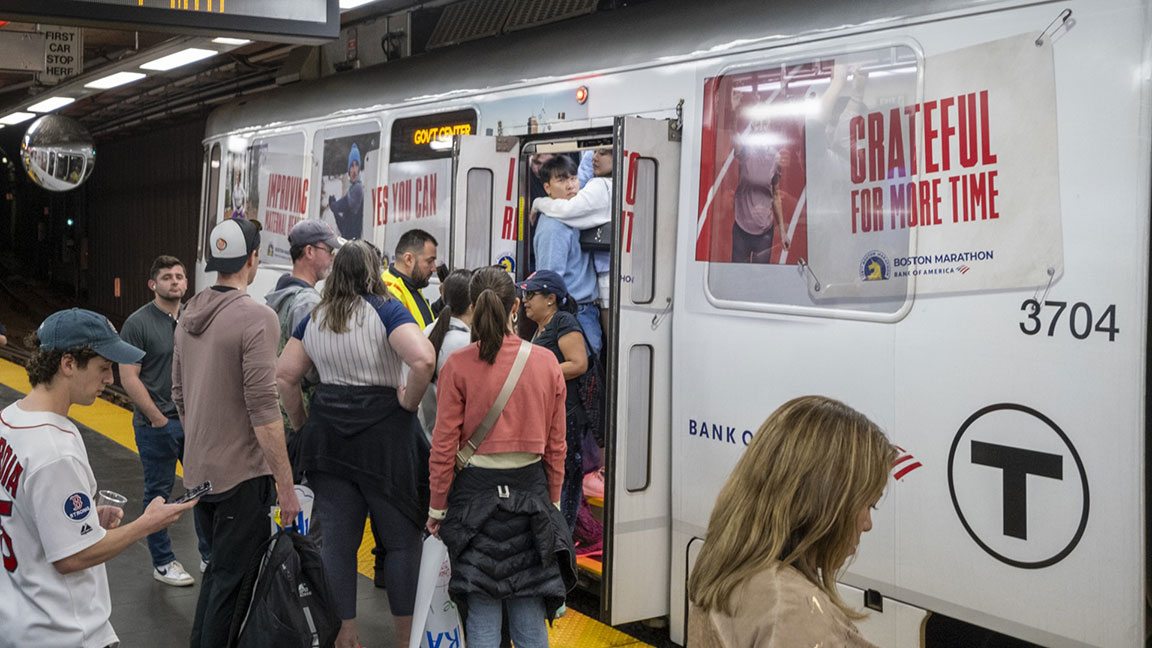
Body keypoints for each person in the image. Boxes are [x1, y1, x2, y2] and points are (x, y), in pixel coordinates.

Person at [0, 308, 196, 648]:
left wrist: (86, 521)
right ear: (68, 363)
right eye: (104, 367)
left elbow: (26, 514)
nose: (110, 379)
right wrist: (147, 523)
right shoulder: (54, 451)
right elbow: (71, 558)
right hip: (65, 633)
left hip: (20, 620)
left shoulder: (10, 421)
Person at [276, 239, 435, 648]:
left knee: (339, 545)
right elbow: (423, 360)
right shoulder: (386, 310)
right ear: (372, 271)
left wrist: (302, 424)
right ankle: (406, 640)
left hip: (330, 439)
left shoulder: (315, 316)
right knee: (401, 544)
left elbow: (284, 376)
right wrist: (408, 401)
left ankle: (345, 633)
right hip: (386, 440)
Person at [426, 266, 576, 648]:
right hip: (531, 496)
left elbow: (444, 447)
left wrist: (437, 509)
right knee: (528, 609)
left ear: (473, 307)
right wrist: (553, 500)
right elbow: (557, 446)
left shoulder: (458, 366)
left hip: (474, 500)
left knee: (482, 610)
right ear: (515, 308)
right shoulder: (545, 363)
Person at [174, 217, 301, 648]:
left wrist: (204, 443)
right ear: (253, 259)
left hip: (198, 475)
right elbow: (264, 408)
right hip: (241, 481)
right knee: (232, 589)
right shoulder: (256, 317)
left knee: (218, 578)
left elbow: (178, 394)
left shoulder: (188, 311)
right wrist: (286, 486)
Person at [687, 396, 896, 648]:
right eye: (867, 505)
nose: (867, 524)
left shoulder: (731, 569)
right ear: (827, 503)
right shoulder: (792, 607)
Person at [119, 255, 209, 585]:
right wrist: (157, 418)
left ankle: (208, 554)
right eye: (167, 277)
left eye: (180, 276)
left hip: (193, 421)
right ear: (153, 284)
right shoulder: (137, 323)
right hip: (156, 424)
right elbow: (128, 377)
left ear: (187, 283)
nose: (175, 281)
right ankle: (163, 562)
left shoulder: (193, 318)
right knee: (160, 494)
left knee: (204, 489)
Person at [518, 269, 589, 531]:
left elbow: (579, 364)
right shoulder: (541, 328)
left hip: (567, 415)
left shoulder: (562, 322)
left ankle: (563, 539)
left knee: (567, 480)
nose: (525, 299)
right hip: (550, 415)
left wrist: (536, 370)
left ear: (551, 299)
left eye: (531, 294)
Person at [265, 220, 342, 443]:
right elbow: (311, 370)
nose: (332, 257)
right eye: (329, 250)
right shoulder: (307, 303)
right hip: (300, 416)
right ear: (309, 251)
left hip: (278, 413)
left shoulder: (277, 294)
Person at [532, 147, 613, 335]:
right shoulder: (554, 224)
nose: (570, 186)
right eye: (561, 180)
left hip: (585, 309)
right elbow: (550, 279)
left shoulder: (577, 214)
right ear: (547, 187)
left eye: (573, 179)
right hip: (573, 313)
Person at [730, 90, 792, 263]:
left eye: (764, 122)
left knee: (759, 281)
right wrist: (734, 113)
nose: (761, 126)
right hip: (741, 227)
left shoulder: (775, 157)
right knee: (738, 280)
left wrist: (782, 233)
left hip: (764, 231)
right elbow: (734, 136)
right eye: (757, 122)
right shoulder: (745, 151)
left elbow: (776, 195)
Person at [419, 267, 474, 440]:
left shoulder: (428, 330)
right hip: (454, 444)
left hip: (427, 436)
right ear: (474, 303)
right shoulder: (467, 344)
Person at [382, 228, 439, 328]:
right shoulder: (389, 291)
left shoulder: (412, 285)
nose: (434, 268)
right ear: (408, 259)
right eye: (429, 261)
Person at [327, 143, 364, 240]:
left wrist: (333, 206)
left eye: (356, 165)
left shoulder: (357, 189)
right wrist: (335, 213)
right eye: (352, 166)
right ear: (348, 169)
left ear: (359, 168)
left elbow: (340, 206)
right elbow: (344, 227)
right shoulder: (351, 190)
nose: (354, 170)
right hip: (348, 246)